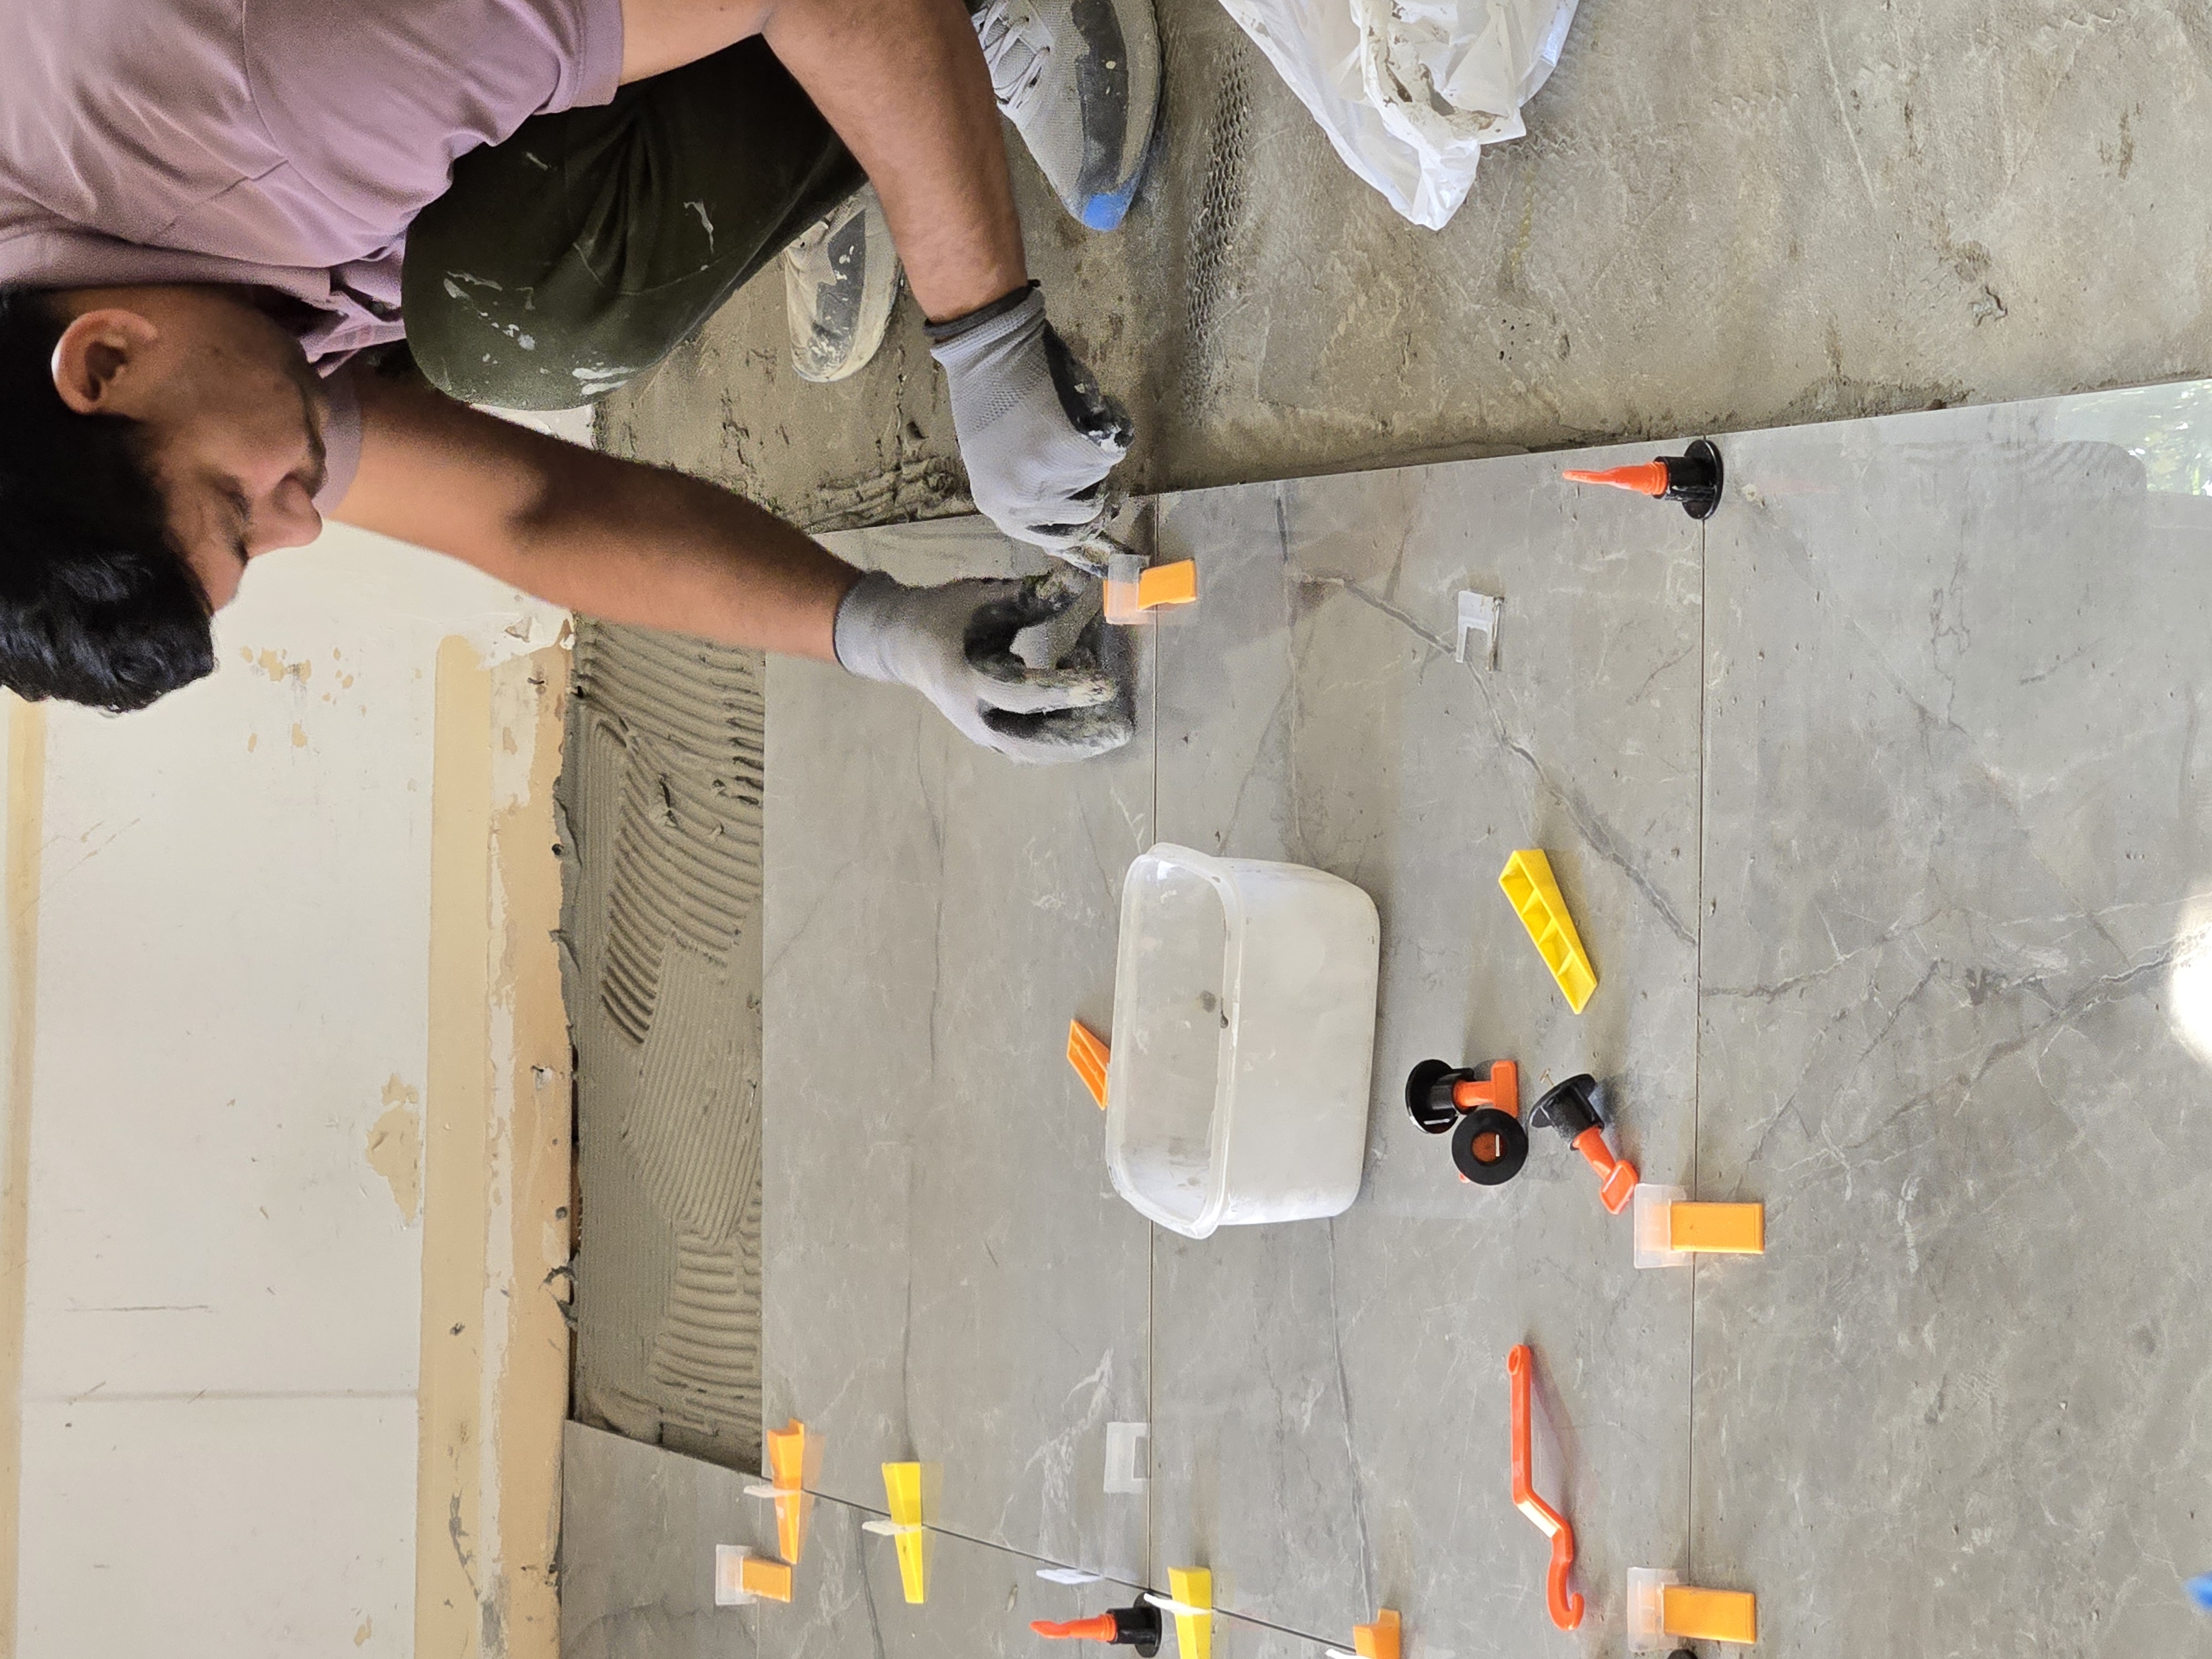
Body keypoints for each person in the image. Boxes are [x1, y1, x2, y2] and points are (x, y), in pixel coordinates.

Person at [0, 0, 1162, 761]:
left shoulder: (258, 97)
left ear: (105, 358)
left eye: (236, 513)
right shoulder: (120, 352)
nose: (302, 524)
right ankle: (826, 104)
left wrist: (988, 340)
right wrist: (880, 629)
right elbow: (524, 512)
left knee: (509, 314)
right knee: (414, 339)